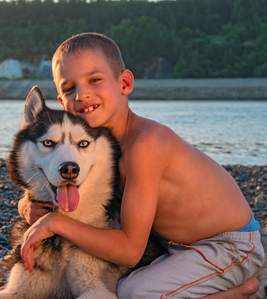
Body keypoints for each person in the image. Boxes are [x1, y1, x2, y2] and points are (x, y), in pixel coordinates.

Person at [18, 32, 264, 298]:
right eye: (69, 88)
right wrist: (27, 206)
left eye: (95, 80)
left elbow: (130, 252)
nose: (82, 94)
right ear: (61, 103)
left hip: (227, 245)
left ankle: (242, 291)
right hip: (167, 244)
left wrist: (55, 222)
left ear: (124, 83)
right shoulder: (92, 146)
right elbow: (67, 194)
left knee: (134, 292)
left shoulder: (145, 144)